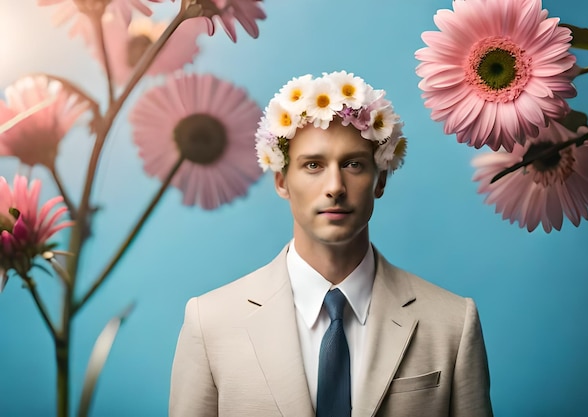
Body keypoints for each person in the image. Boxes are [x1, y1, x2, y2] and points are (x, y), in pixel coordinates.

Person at [169, 71, 493, 416]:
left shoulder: (452, 323)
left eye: (353, 164)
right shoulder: (210, 322)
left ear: (380, 180)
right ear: (281, 181)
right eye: (313, 165)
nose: (335, 186)